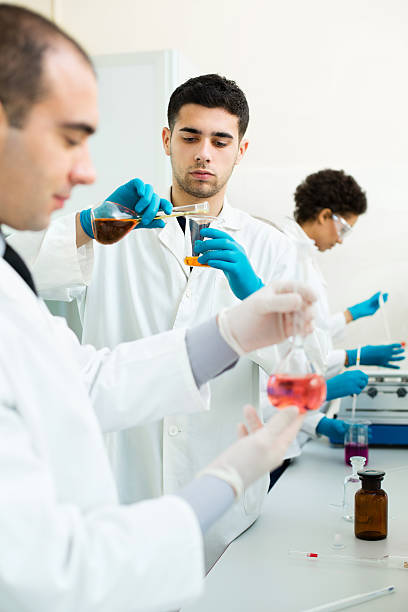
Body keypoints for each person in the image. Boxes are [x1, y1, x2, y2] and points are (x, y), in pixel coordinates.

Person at [0, 5, 316, 611]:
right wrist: (91, 225)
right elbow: (36, 273)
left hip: (221, 522)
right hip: (127, 504)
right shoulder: (113, 227)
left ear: (240, 150)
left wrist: (236, 319)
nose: (204, 153)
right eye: (70, 137)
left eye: (220, 141)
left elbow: (83, 376)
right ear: (168, 140)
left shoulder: (272, 246)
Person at [261, 169, 405, 443]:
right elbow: (271, 366)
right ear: (325, 215)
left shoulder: (303, 259)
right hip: (271, 430)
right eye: (344, 229)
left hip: (289, 424)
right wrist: (323, 390)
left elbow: (311, 340)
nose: (340, 239)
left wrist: (353, 317)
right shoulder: (283, 256)